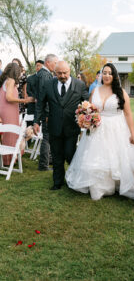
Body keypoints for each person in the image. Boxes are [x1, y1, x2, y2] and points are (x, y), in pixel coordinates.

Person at [66, 63, 134, 200]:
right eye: (104, 72)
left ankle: (118, 183)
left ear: (115, 76)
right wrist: (86, 119)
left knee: (116, 156)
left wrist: (133, 133)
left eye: (110, 73)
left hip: (117, 128)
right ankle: (101, 186)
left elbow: (128, 114)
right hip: (97, 129)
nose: (107, 75)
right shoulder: (95, 91)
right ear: (101, 74)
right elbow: (90, 109)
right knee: (97, 157)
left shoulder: (121, 92)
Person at [34, 61, 89, 190]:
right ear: (55, 73)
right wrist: (36, 121)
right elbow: (40, 104)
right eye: (59, 73)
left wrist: (89, 118)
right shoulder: (48, 85)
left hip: (71, 128)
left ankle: (74, 179)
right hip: (54, 127)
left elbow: (87, 103)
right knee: (57, 156)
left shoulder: (79, 85)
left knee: (70, 154)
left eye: (65, 73)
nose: (63, 75)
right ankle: (57, 182)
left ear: (70, 71)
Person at [0, 63, 33, 165]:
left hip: (5, 109)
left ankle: (7, 159)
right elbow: (9, 98)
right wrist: (24, 100)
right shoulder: (11, 80)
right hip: (9, 110)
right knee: (11, 133)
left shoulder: (4, 81)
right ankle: (9, 160)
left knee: (7, 134)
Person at [34, 54, 58, 171]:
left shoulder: (44, 74)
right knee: (47, 138)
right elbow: (45, 97)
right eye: (55, 63)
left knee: (49, 137)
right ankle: (43, 165)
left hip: (45, 111)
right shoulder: (45, 75)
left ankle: (49, 160)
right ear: (48, 62)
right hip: (47, 112)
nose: (56, 65)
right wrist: (48, 114)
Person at [26, 60, 44, 125]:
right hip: (32, 105)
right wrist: (36, 98)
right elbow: (28, 90)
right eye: (37, 66)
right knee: (30, 125)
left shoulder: (47, 77)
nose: (38, 67)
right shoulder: (30, 78)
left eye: (40, 66)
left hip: (43, 106)